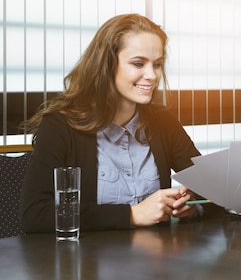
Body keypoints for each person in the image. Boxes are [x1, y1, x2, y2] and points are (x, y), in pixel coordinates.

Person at [20, 13, 204, 233]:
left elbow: (213, 189)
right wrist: (132, 215)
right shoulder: (61, 126)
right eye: (138, 63)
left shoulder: (163, 122)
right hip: (86, 264)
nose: (152, 75)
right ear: (107, 65)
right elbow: (34, 214)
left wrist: (192, 207)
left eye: (157, 65)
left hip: (158, 262)